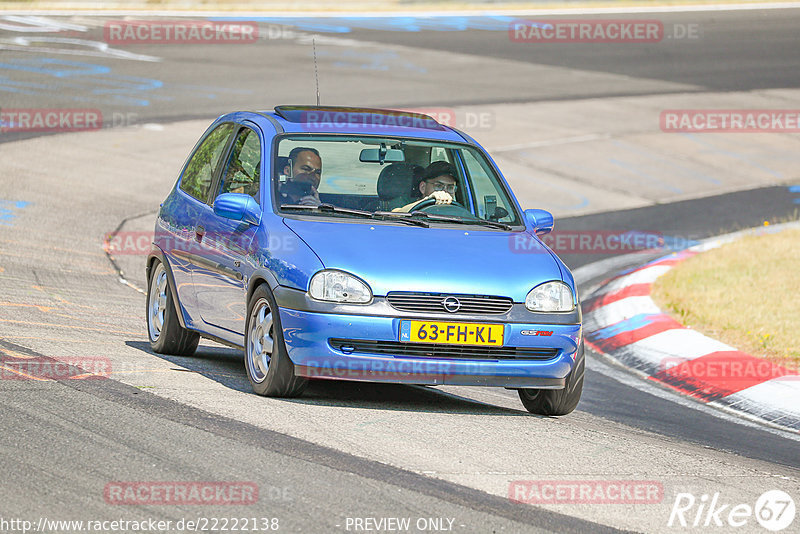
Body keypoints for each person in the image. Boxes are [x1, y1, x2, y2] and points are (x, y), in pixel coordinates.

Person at [392, 160, 458, 213]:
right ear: (423, 187)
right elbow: (395, 214)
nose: (444, 192)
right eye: (438, 186)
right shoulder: (404, 201)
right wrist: (427, 200)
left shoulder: (457, 209)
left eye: (450, 188)